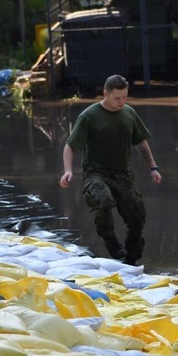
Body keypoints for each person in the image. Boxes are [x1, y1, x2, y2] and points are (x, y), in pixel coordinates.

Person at [60, 74, 161, 265]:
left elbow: (141, 142)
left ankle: (131, 257)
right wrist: (68, 171)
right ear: (106, 94)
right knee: (104, 201)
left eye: (125, 97)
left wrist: (153, 168)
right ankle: (112, 244)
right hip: (95, 172)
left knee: (137, 215)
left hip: (122, 173)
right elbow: (70, 145)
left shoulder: (129, 113)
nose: (122, 102)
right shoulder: (89, 116)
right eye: (117, 98)